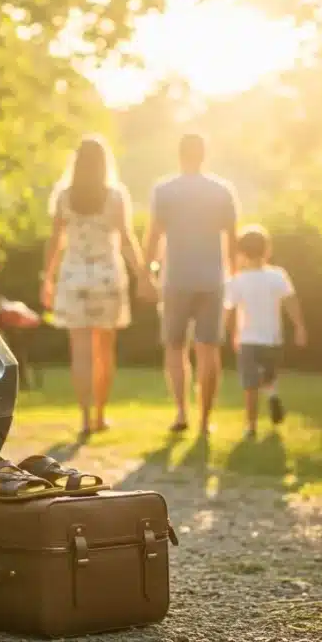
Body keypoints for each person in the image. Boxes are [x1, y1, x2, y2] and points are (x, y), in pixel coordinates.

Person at [40, 135, 155, 437]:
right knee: (105, 350)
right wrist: (143, 273)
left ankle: (84, 417)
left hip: (73, 277)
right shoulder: (116, 196)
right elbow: (127, 239)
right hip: (107, 276)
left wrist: (47, 278)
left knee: (80, 352)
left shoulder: (64, 197)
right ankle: (100, 415)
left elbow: (55, 241)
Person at [143, 133, 239, 434]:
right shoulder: (222, 190)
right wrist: (233, 275)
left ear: (180, 154)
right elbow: (233, 238)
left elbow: (154, 235)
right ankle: (206, 420)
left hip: (176, 279)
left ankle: (182, 412)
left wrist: (146, 274)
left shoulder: (165, 190)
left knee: (175, 347)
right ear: (204, 155)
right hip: (213, 279)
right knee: (209, 350)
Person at [224, 225, 308, 439]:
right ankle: (273, 396)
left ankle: (251, 427)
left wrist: (227, 333)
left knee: (250, 385)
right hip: (272, 339)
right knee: (268, 377)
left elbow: (229, 310)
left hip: (248, 340)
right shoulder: (278, 276)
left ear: (240, 253)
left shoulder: (237, 280)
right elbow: (291, 302)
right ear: (267, 250)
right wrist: (299, 326)